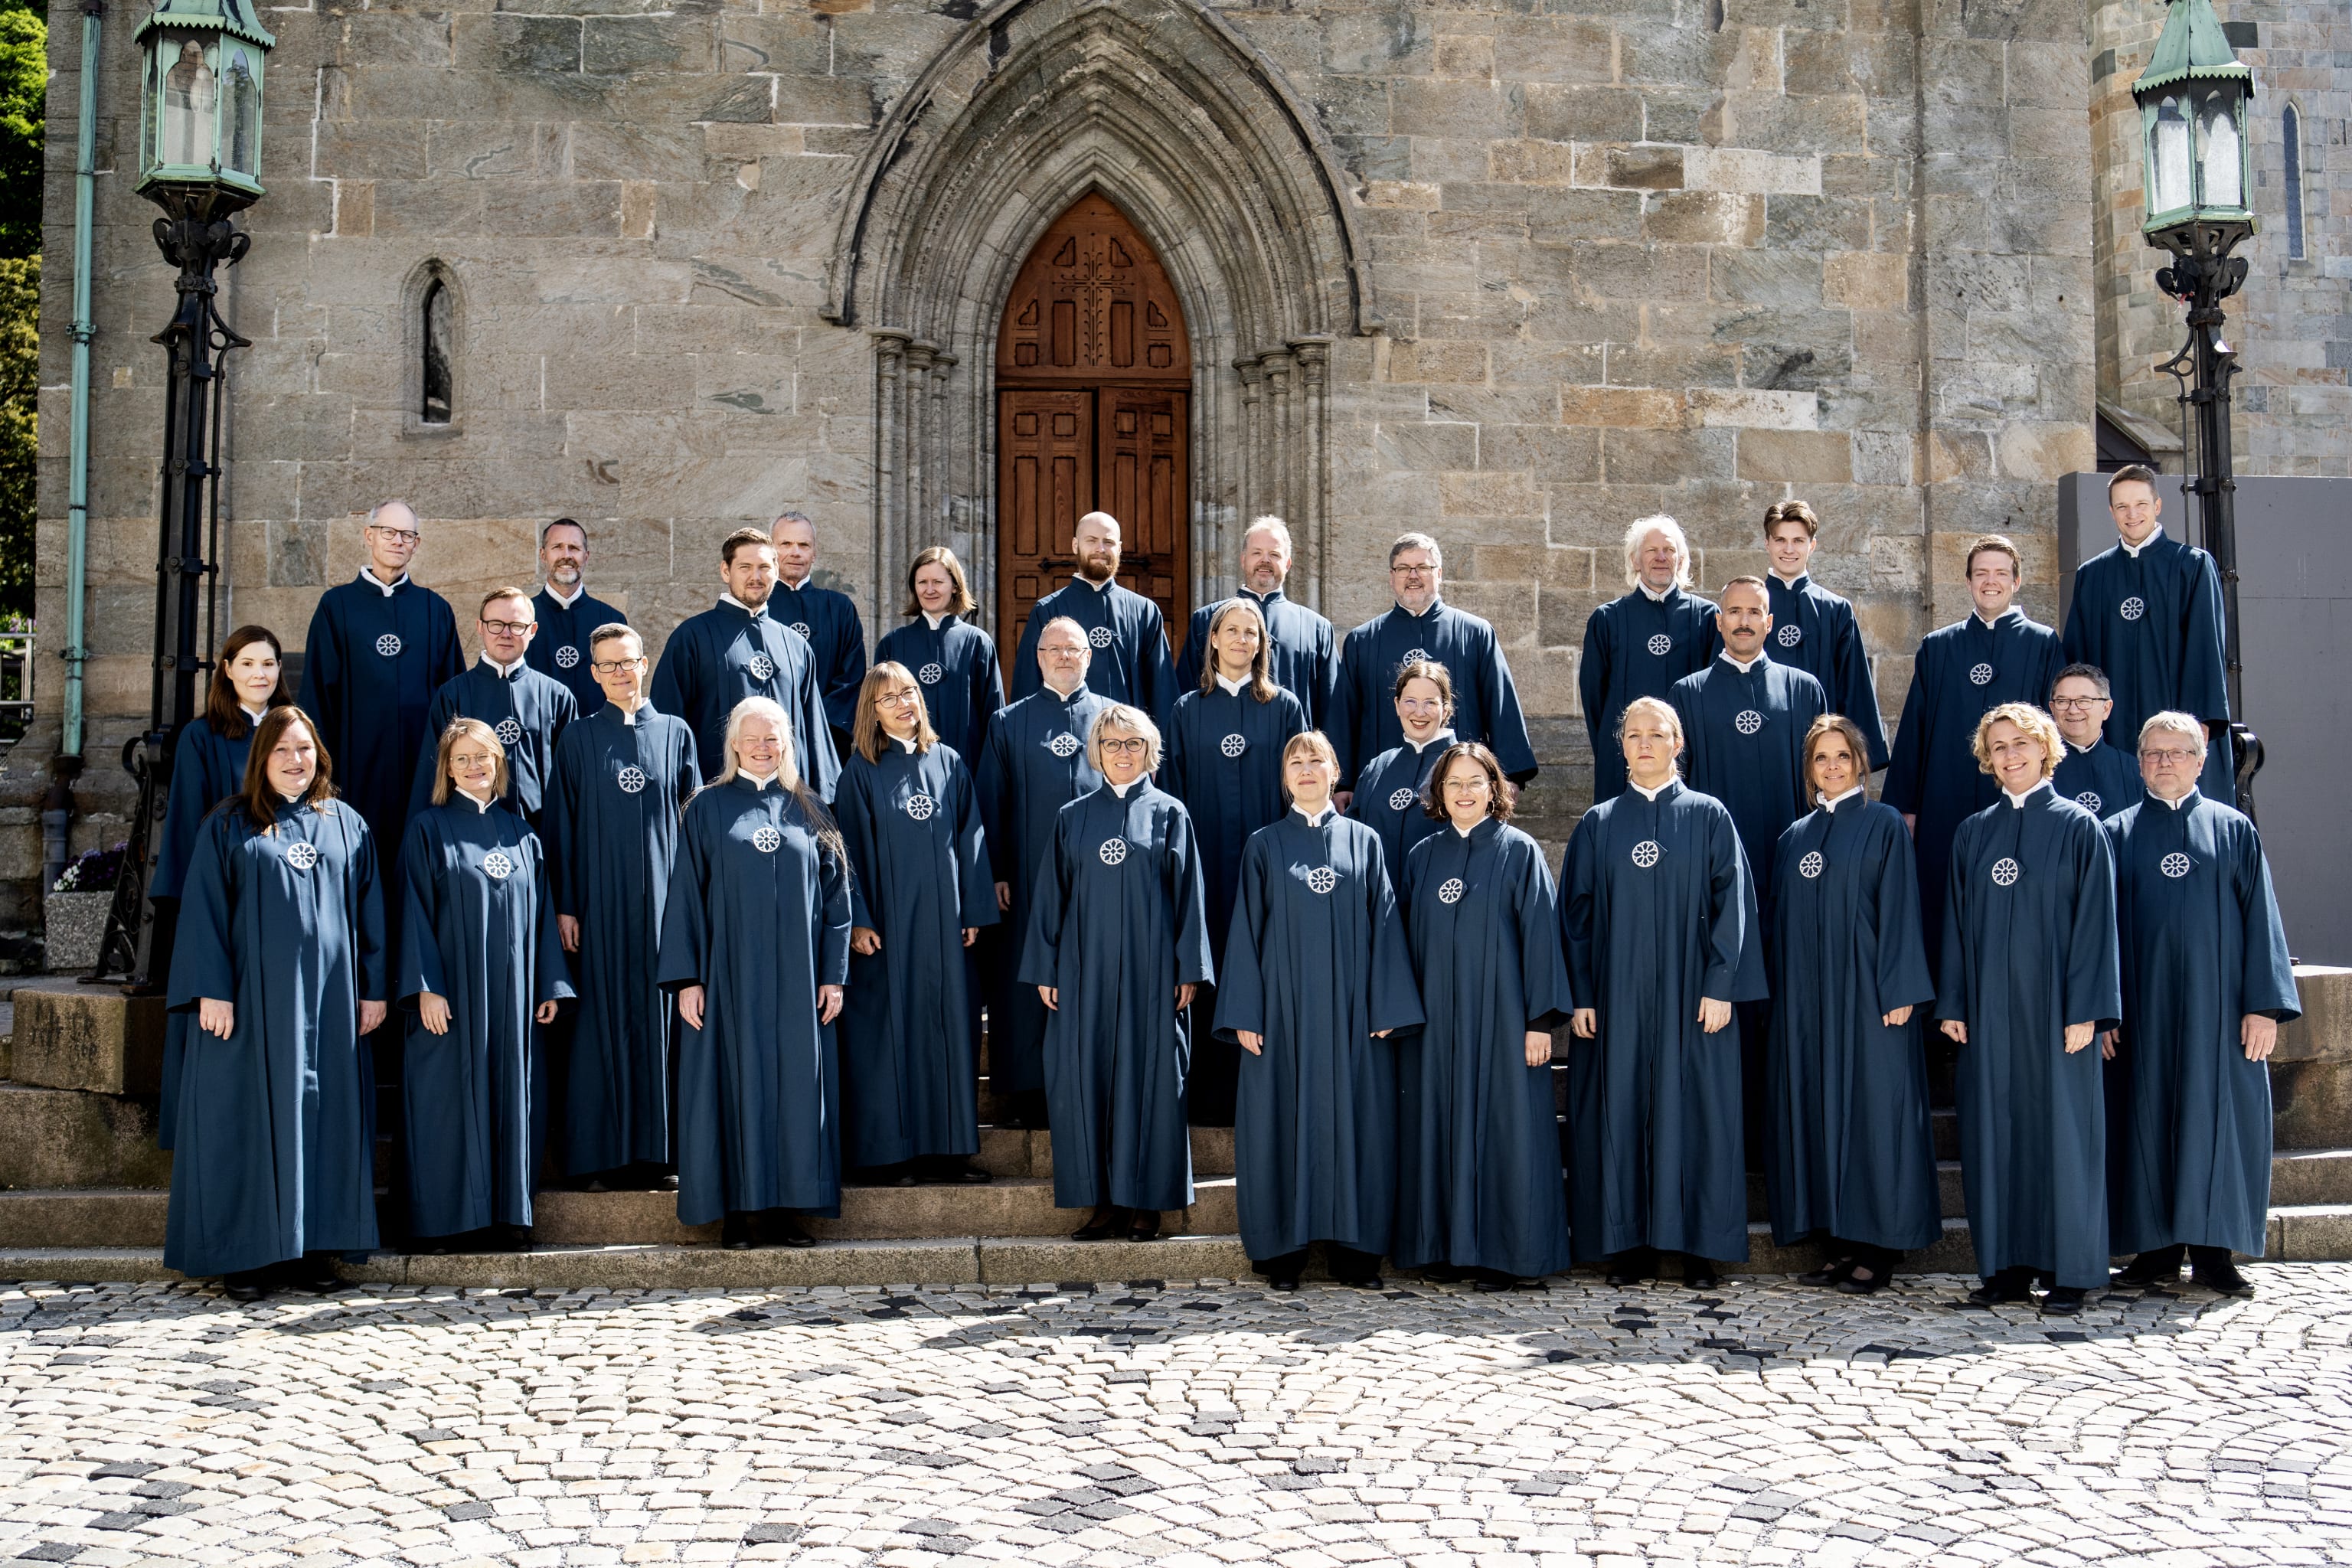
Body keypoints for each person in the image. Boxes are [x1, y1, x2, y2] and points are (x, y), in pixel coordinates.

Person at [163, 707, 385, 1302]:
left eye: (305, 750)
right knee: (248, 1121)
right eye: (282, 750)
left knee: (323, 1121)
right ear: (262, 758)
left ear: (321, 758)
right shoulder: (231, 824)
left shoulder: (346, 825)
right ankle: (248, 1257)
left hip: (332, 1006)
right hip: (252, 1009)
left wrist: (376, 989)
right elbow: (205, 910)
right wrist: (213, 988)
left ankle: (313, 1249)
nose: (295, 761)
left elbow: (372, 917)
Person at [1560, 699, 1762, 1292]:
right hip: (1617, 997)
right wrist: (1582, 994)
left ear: (1679, 744)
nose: (1644, 743)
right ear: (1620, 747)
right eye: (1633, 734)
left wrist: (1722, 984)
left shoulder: (1709, 817)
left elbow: (1735, 908)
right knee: (1620, 1111)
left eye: (1657, 734)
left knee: (1698, 1113)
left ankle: (1701, 1247)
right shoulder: (1599, 824)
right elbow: (1576, 918)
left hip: (1692, 997)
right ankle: (1627, 1245)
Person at [1215, 732, 1422, 1292]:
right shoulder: (1264, 845)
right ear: (1284, 777)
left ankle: (1357, 1253)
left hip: (1356, 1015)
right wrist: (1246, 1012)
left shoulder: (1365, 842)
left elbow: (1384, 921)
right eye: (1295, 762)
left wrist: (1388, 1004)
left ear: (1335, 771)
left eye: (1316, 761)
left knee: (1363, 1123)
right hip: (1284, 1016)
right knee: (1281, 1122)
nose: (1306, 770)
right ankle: (1283, 1253)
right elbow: (1246, 935)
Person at [2104, 711, 2298, 1298]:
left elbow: (2261, 918)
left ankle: (2214, 1254)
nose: (2165, 762)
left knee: (2215, 1123)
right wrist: (2104, 1010)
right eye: (2154, 753)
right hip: (2142, 1012)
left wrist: (2263, 1006)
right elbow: (2099, 932)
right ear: (2139, 763)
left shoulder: (2232, 829)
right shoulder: (2114, 833)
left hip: (2219, 1013)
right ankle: (2154, 1250)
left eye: (2177, 752)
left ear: (2201, 759)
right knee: (2146, 1119)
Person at [1938, 703, 2120, 1315]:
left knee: (2063, 1137)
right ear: (1986, 760)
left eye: (2020, 744)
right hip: (1988, 1011)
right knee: (1994, 1136)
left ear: (2045, 747)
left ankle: (2071, 1270)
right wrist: (1955, 1000)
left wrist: (2087, 1012)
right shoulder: (1974, 832)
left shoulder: (2078, 828)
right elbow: (1957, 926)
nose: (2010, 755)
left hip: (2057, 1012)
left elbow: (2097, 926)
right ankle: (2006, 1270)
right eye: (1998, 747)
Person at [658, 697, 851, 1250]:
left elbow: (838, 899)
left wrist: (833, 975)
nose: (763, 748)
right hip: (729, 981)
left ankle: (790, 1210)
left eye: (774, 739)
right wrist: (687, 979)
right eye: (753, 738)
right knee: (734, 1086)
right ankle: (741, 1214)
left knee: (794, 1091)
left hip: (798, 980)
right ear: (734, 744)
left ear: (787, 744)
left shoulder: (810, 807)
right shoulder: (707, 807)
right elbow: (685, 899)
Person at [1019, 705, 1213, 1244]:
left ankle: (1147, 1202)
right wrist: (1046, 967)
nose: (1121, 752)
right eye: (1110, 743)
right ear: (1095, 751)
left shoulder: (1171, 814)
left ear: (1150, 751)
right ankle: (1103, 1202)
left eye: (1132, 743)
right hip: (1085, 975)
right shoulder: (1073, 816)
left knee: (1151, 1082)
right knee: (1090, 1080)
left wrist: (1189, 968)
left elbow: (1189, 898)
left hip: (1154, 976)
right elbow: (1050, 898)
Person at [1766, 715, 1939, 1295]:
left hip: (1870, 1001)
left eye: (1843, 756)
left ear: (1862, 763)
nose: (1833, 766)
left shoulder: (1884, 824)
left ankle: (1881, 1246)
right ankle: (1840, 1242)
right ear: (1808, 768)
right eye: (1821, 758)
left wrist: (1900, 991)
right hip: (1808, 1008)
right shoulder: (1794, 838)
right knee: (1820, 1116)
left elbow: (1900, 909)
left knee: (1872, 1117)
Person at [1393, 741, 1574, 1289]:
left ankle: (1510, 1255)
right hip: (1437, 1029)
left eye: (1476, 781)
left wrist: (1540, 1022)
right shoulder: (1422, 858)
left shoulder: (1518, 852)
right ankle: (1446, 1248)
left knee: (1507, 1133)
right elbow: (1402, 944)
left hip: (1503, 1024)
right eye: (1453, 783)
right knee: (1439, 1130)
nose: (1465, 792)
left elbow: (1542, 938)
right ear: (1438, 794)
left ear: (1496, 789)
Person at [397, 719, 574, 1252]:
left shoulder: (523, 836)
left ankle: (505, 1217)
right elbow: (414, 911)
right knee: (446, 1103)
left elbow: (542, 915)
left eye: (484, 758)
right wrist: (426, 986)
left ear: (500, 765)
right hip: (451, 999)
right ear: (446, 770)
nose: (475, 768)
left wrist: (549, 982)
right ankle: (446, 1224)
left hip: (513, 1000)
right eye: (462, 760)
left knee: (511, 1099)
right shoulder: (428, 829)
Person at [544, 624, 701, 1188]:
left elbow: (695, 826)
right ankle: (598, 1160)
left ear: (644, 663)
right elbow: (560, 827)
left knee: (663, 1029)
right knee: (599, 1031)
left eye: (627, 662)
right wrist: (565, 906)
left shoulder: (676, 734)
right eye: (606, 665)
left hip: (664, 912)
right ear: (593, 673)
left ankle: (661, 1156)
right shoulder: (579, 738)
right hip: (598, 912)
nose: (618, 673)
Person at [835, 664, 996, 1185]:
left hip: (946, 930)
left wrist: (973, 909)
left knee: (950, 1031)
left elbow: (970, 838)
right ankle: (893, 1154)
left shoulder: (949, 762)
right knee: (891, 1036)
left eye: (909, 693)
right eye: (889, 699)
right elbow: (846, 852)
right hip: (888, 930)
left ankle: (948, 1151)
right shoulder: (860, 771)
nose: (903, 704)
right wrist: (857, 918)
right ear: (872, 712)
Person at [1883, 534, 2064, 966]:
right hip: (1944, 801)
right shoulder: (1938, 647)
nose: (1991, 581)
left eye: (2001, 573)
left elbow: (2052, 734)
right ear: (1967, 582)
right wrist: (1905, 808)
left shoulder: (2043, 644)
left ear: (2016, 581)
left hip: (2016, 800)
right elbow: (1914, 731)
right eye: (1981, 573)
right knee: (1942, 902)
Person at [1165, 599, 1308, 1127]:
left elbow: (1303, 786)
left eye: (1254, 633)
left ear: (1263, 645)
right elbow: (1173, 796)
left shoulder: (1286, 708)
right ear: (1215, 641)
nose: (1244, 640)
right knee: (1208, 971)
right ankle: (1206, 1099)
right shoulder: (1187, 710)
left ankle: (1267, 1097)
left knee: (1263, 969)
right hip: (1204, 871)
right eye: (1234, 631)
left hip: (1268, 870)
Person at [153, 625, 293, 1152]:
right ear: (228, 670)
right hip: (226, 892)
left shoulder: (291, 730)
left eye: (270, 664)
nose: (260, 674)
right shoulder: (204, 735)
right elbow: (190, 819)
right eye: (249, 663)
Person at [975, 617, 1110, 1128]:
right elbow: (993, 801)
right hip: (1028, 881)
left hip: (1099, 881)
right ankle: (1027, 1091)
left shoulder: (1114, 721)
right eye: (1053, 649)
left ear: (1088, 656)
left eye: (1073, 648)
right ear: (1037, 657)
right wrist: (999, 873)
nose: (1063, 657)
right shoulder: (1008, 722)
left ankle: (1089, 1082)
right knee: (1026, 981)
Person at [296, 498, 466, 884]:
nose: (397, 541)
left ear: (416, 545)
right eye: (388, 532)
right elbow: (318, 697)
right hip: (356, 771)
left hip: (421, 773)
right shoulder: (336, 606)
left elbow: (454, 698)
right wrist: (321, 778)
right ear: (369, 537)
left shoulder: (434, 609)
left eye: (407, 535)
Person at [2063, 465, 2233, 801]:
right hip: (2112, 728)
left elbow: (2206, 652)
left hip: (2175, 723)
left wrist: (2199, 723)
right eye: (2122, 507)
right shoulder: (2092, 576)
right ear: (2112, 512)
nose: (2132, 514)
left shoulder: (2192, 566)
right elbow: (2077, 658)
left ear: (2157, 506)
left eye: (2140, 504)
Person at [1329, 532, 1537, 793]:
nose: (1413, 575)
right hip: (1381, 789)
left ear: (1439, 574)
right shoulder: (1363, 640)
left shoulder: (1475, 633)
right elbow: (1343, 717)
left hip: (1460, 789)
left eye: (1423, 568)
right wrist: (1342, 786)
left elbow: (1500, 704)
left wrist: (1511, 776)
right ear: (1392, 577)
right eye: (1403, 568)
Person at [1668, 576, 1828, 912]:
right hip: (1715, 860)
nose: (1744, 622)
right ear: (1719, 620)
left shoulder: (1804, 689)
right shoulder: (1687, 694)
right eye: (1735, 611)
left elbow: (1824, 779)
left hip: (1793, 857)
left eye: (1754, 612)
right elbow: (1676, 786)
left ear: (1769, 623)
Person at [648, 527, 841, 800]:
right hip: (713, 807)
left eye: (764, 566)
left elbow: (815, 737)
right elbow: (668, 730)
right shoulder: (692, 637)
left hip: (788, 807)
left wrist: (822, 809)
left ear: (776, 570)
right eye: (745, 567)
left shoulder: (796, 647)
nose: (756, 576)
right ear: (725, 571)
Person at [1578, 515, 1722, 805]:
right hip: (1623, 762)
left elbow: (1714, 694)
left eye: (1669, 550)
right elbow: (1595, 699)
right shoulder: (1608, 620)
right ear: (1635, 560)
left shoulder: (1707, 619)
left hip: (1689, 762)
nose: (1661, 558)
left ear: (1681, 561)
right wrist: (1617, 749)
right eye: (1651, 550)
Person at [408, 586, 579, 830]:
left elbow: (572, 780)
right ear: (480, 627)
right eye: (496, 624)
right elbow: (431, 777)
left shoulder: (557, 696)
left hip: (541, 834)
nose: (505, 634)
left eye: (516, 625)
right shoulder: (453, 694)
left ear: (533, 630)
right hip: (469, 832)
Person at [1007, 511, 1177, 730]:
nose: (1101, 549)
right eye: (1092, 541)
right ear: (1075, 545)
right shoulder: (1047, 610)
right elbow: (1028, 686)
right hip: (1064, 739)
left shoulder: (1145, 611)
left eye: (1108, 542)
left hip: (1128, 746)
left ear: (1120, 548)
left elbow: (1162, 690)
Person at [1174, 517, 1340, 729]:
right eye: (1257, 553)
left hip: (1292, 754)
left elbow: (1332, 710)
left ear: (1288, 563)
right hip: (1221, 748)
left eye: (1274, 554)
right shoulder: (1207, 619)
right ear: (1243, 559)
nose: (1265, 561)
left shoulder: (1316, 628)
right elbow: (1185, 695)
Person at [1760, 500, 1889, 769]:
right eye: (1780, 540)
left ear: (1812, 545)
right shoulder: (1748, 605)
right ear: (1767, 543)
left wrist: (1859, 756)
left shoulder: (1835, 609)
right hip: (1761, 745)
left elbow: (1853, 685)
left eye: (1798, 540)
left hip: (1821, 754)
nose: (1789, 549)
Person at [874, 546, 1004, 766]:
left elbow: (993, 714)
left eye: (938, 582)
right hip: (903, 766)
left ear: (955, 586)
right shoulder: (893, 643)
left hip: (966, 766)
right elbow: (877, 710)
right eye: (922, 582)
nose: (929, 589)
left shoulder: (977, 642)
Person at [1347, 659, 1456, 887]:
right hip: (1379, 910)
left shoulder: (1465, 767)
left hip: (1439, 908)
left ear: (1446, 709)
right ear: (1397, 706)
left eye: (1430, 703)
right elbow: (1350, 838)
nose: (1419, 712)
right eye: (1410, 701)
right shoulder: (1376, 768)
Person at [769, 510, 870, 744]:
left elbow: (852, 677)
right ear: (771, 551)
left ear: (814, 553)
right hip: (768, 741)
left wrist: (816, 724)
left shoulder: (840, 608)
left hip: (827, 738)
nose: (795, 552)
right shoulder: (757, 607)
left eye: (804, 545)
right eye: (786, 543)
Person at [526, 518, 626, 714]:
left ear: (586, 556)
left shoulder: (612, 620)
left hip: (596, 738)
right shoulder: (521, 619)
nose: (566, 555)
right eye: (557, 547)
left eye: (574, 548)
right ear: (543, 555)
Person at [2049, 665, 2142, 819]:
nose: (2073, 710)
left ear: (2106, 708)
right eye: (2063, 701)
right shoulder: (2037, 768)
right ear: (2052, 709)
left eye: (2084, 701)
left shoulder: (2134, 770)